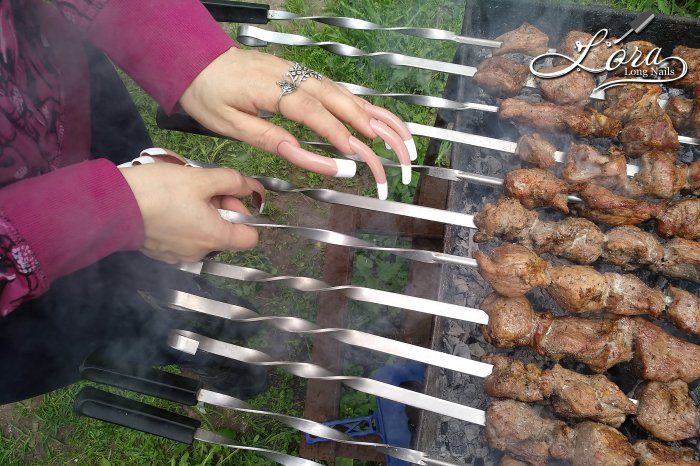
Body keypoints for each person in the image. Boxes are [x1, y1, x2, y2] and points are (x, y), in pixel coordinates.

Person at [0, 0, 413, 404]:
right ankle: (182, 350)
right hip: (16, 283)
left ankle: (194, 296)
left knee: (163, 247)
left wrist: (184, 50)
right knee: (97, 325)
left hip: (57, 81)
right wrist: (111, 211)